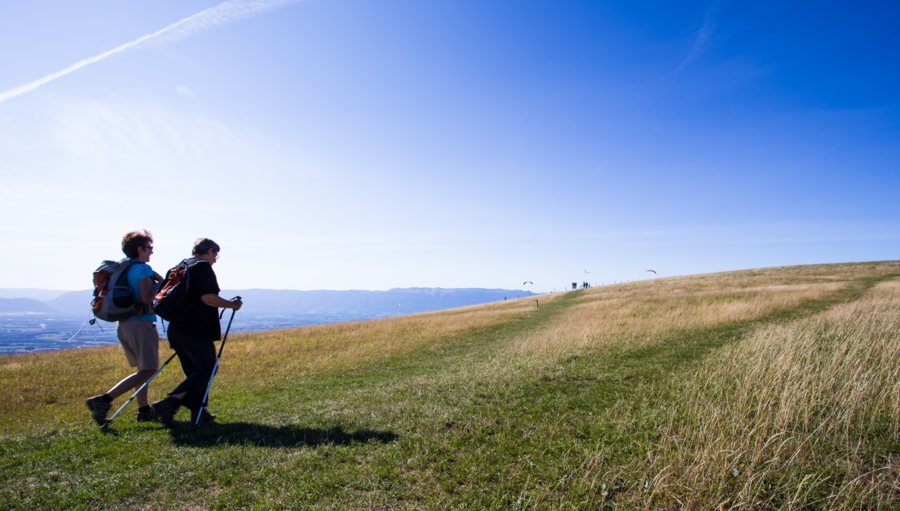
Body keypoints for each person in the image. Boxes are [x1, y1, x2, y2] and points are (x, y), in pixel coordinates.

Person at [152, 238, 242, 428]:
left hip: (176, 328)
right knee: (207, 368)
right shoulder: (202, 267)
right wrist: (232, 305)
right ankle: (170, 402)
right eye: (215, 255)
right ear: (209, 251)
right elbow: (208, 298)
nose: (215, 260)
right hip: (196, 328)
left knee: (194, 371)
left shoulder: (180, 266)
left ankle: (199, 412)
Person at [85, 230, 164, 426]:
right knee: (149, 369)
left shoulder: (123, 267)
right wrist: (161, 282)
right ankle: (103, 401)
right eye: (149, 248)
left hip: (125, 324)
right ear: (140, 249)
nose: (151, 252)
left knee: (142, 369)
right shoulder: (143, 269)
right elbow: (146, 298)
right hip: (141, 324)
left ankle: (144, 410)